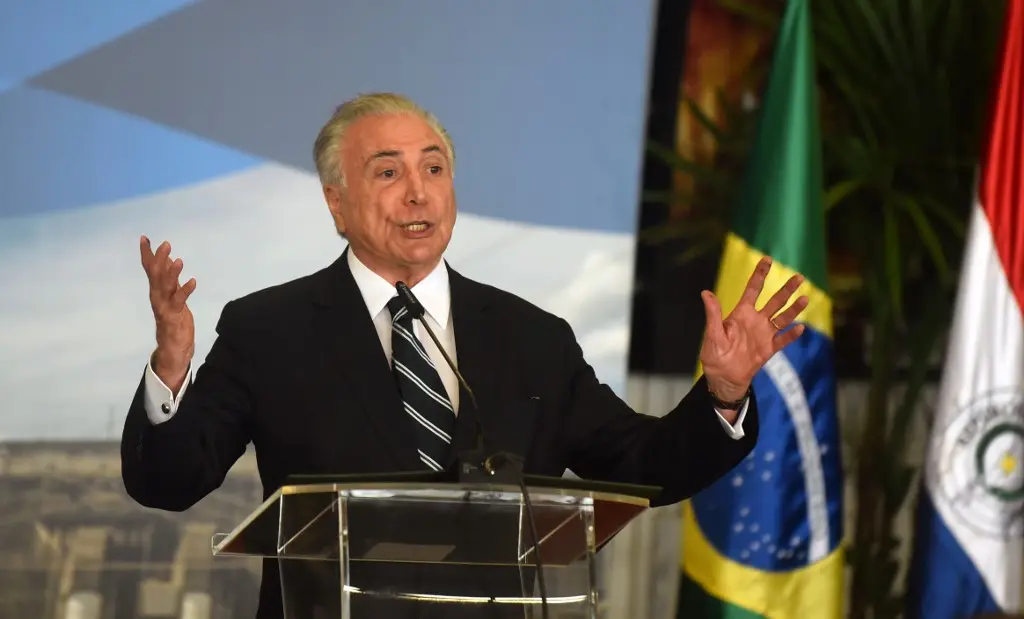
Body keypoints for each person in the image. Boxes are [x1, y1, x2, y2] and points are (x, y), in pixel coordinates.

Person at [120, 92, 809, 618]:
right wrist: (171, 366)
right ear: (336, 202)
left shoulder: (532, 336)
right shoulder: (268, 330)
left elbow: (642, 465)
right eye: (387, 172)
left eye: (434, 168)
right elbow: (169, 482)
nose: (418, 191)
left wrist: (723, 396)